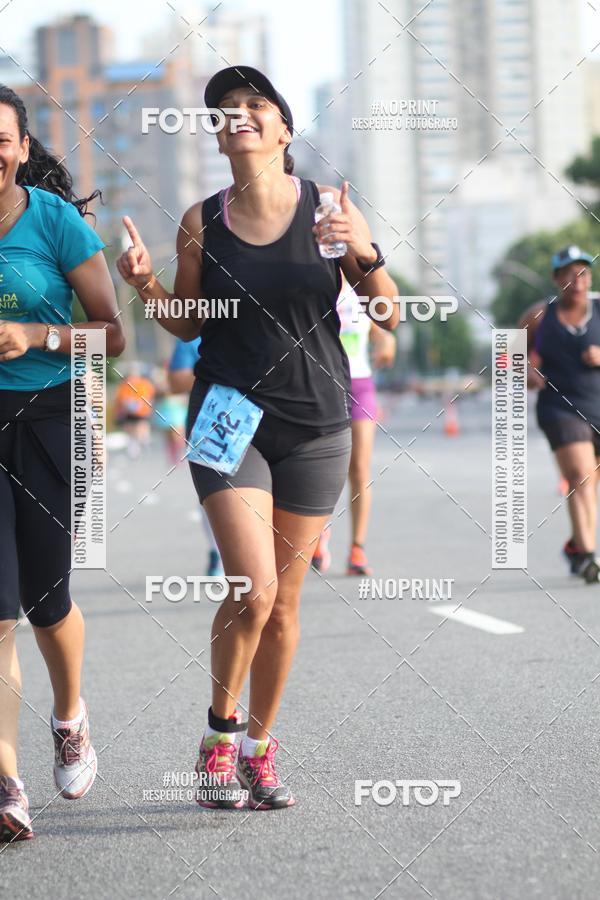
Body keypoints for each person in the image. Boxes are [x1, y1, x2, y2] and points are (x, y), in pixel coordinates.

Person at [117, 65, 398, 810]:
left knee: (285, 604)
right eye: (224, 109)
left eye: (253, 105)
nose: (236, 115)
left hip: (316, 424)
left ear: (283, 129)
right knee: (253, 588)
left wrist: (355, 256)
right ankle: (218, 735)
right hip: (226, 417)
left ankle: (259, 747)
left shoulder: (331, 209)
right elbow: (188, 319)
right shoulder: (201, 220)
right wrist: (145, 286)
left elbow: (391, 311)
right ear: (216, 134)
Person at [0, 85, 125, 842]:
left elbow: (110, 336)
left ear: (18, 147)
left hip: (50, 417)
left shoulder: (56, 223)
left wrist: (34, 337)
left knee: (47, 599)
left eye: (0, 138)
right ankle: (6, 781)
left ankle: (70, 713)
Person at [519, 245, 600, 582]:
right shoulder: (538, 316)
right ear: (556, 279)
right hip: (559, 407)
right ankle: (589, 558)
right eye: (568, 272)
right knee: (580, 476)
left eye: (582, 271)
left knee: (591, 483)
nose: (576, 278)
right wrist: (527, 373)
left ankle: (577, 547)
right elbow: (508, 356)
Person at [312, 277, 397, 575]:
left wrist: (387, 342)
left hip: (359, 384)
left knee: (359, 468)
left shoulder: (364, 285)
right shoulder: (315, 276)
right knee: (323, 466)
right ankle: (318, 532)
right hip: (321, 384)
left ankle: (357, 549)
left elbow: (381, 330)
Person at [168, 336, 223, 576]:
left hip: (267, 420)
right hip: (211, 424)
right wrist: (227, 373)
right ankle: (217, 552)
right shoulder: (194, 333)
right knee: (216, 496)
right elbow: (175, 380)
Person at [113, 362, 155, 458]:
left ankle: (142, 443)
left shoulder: (143, 383)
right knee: (132, 429)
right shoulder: (125, 385)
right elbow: (120, 398)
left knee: (141, 427)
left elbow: (149, 395)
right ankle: (136, 446)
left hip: (141, 410)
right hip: (130, 411)